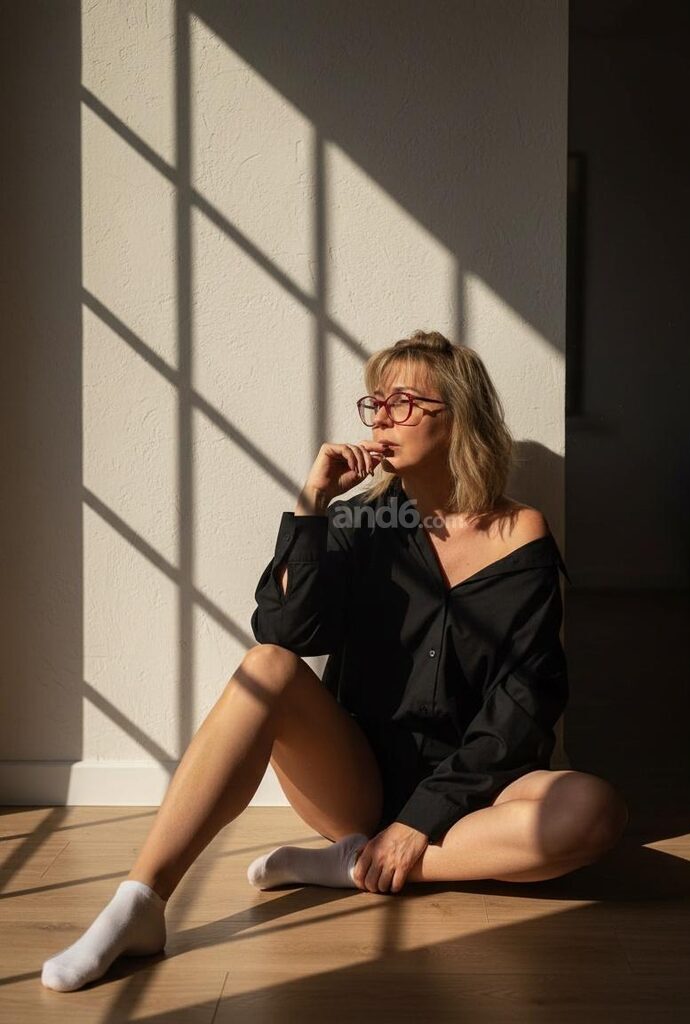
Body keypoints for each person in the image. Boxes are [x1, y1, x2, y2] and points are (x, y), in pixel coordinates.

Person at [41, 329, 628, 992]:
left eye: (403, 403)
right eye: (375, 403)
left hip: (480, 792)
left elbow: (526, 700)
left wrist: (421, 820)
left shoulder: (521, 533)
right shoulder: (358, 522)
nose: (381, 419)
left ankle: (354, 865)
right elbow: (286, 631)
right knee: (265, 666)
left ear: (458, 417)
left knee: (592, 811)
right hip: (358, 780)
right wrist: (312, 507)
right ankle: (140, 902)